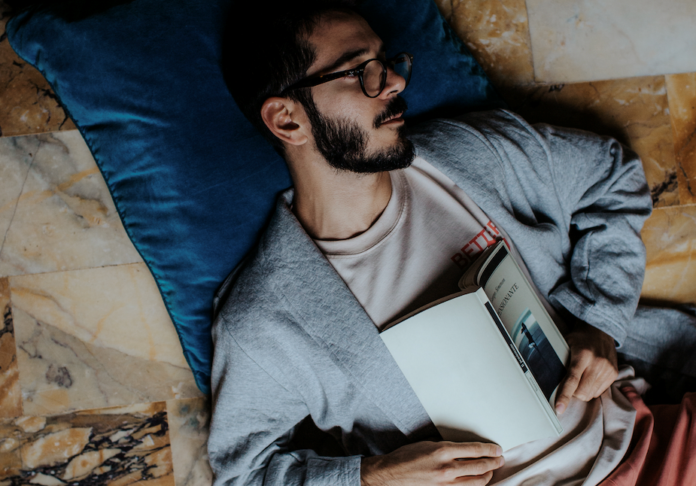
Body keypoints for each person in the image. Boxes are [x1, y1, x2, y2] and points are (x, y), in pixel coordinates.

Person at [209, 1, 696, 485]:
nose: (396, 83)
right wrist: (374, 476)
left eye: (386, 63)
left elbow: (611, 175)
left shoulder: (471, 155)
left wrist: (599, 321)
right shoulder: (265, 319)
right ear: (287, 120)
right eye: (360, 72)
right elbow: (244, 476)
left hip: (650, 439)